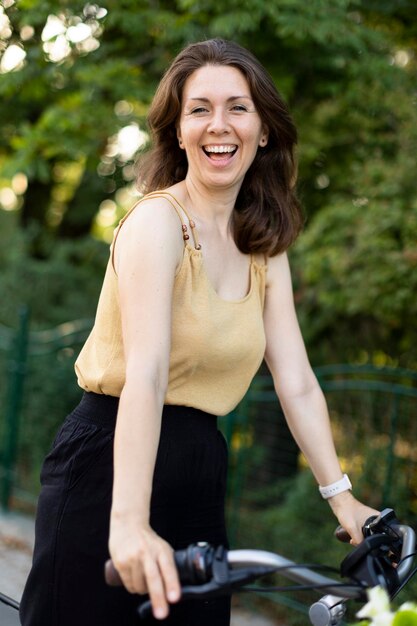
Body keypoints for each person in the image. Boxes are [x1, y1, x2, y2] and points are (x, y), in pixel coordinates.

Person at [20, 38, 378, 626]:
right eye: (200, 109)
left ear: (263, 130)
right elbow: (148, 374)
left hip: (198, 469)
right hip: (109, 463)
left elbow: (297, 382)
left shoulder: (264, 247)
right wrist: (129, 522)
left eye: (238, 107)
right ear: (178, 131)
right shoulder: (158, 222)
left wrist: (344, 500)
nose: (220, 125)